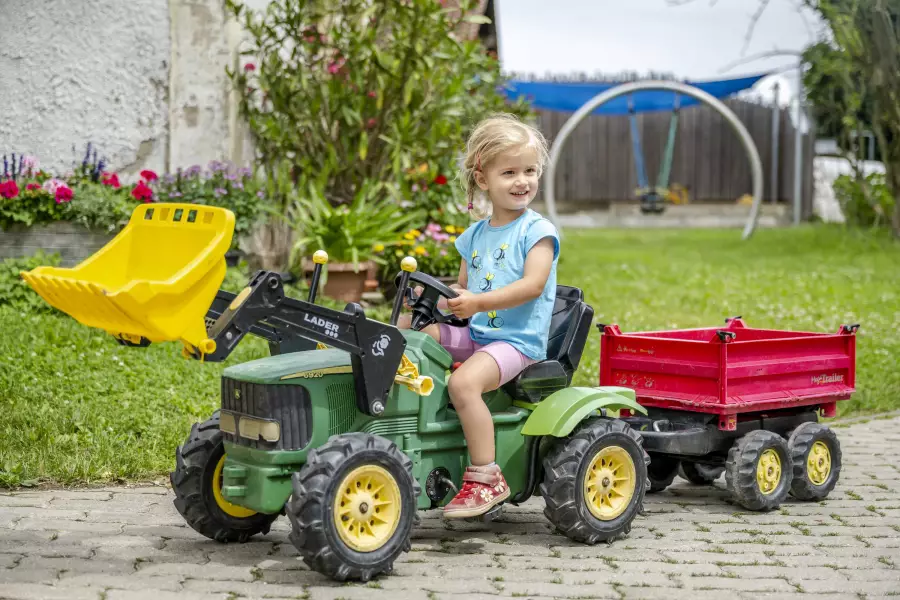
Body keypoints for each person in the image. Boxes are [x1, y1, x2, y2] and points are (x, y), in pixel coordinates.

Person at [398, 113, 560, 519]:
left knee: (464, 383)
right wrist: (431, 301)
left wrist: (477, 304)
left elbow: (533, 286)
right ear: (482, 179)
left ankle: (487, 477)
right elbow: (462, 292)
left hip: (516, 342)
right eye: (509, 172)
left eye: (529, 171)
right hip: (479, 334)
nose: (522, 181)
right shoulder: (474, 236)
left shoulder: (537, 232)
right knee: (411, 336)